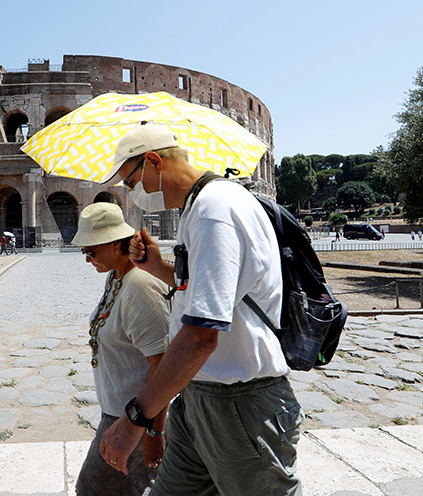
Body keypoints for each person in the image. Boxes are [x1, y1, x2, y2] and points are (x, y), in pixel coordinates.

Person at [98, 124, 302, 495]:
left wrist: (135, 420)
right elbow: (213, 294)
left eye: (130, 183)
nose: (132, 194)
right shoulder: (200, 206)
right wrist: (159, 269)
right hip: (199, 397)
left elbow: (200, 338)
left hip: (240, 404)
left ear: (154, 162)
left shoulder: (214, 209)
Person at [72, 203, 171, 496]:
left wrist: (154, 430)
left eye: (91, 252)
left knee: (93, 488)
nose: (88, 260)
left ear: (116, 245)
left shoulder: (139, 284)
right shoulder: (117, 275)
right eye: (84, 253)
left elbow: (163, 363)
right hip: (117, 412)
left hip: (136, 417)